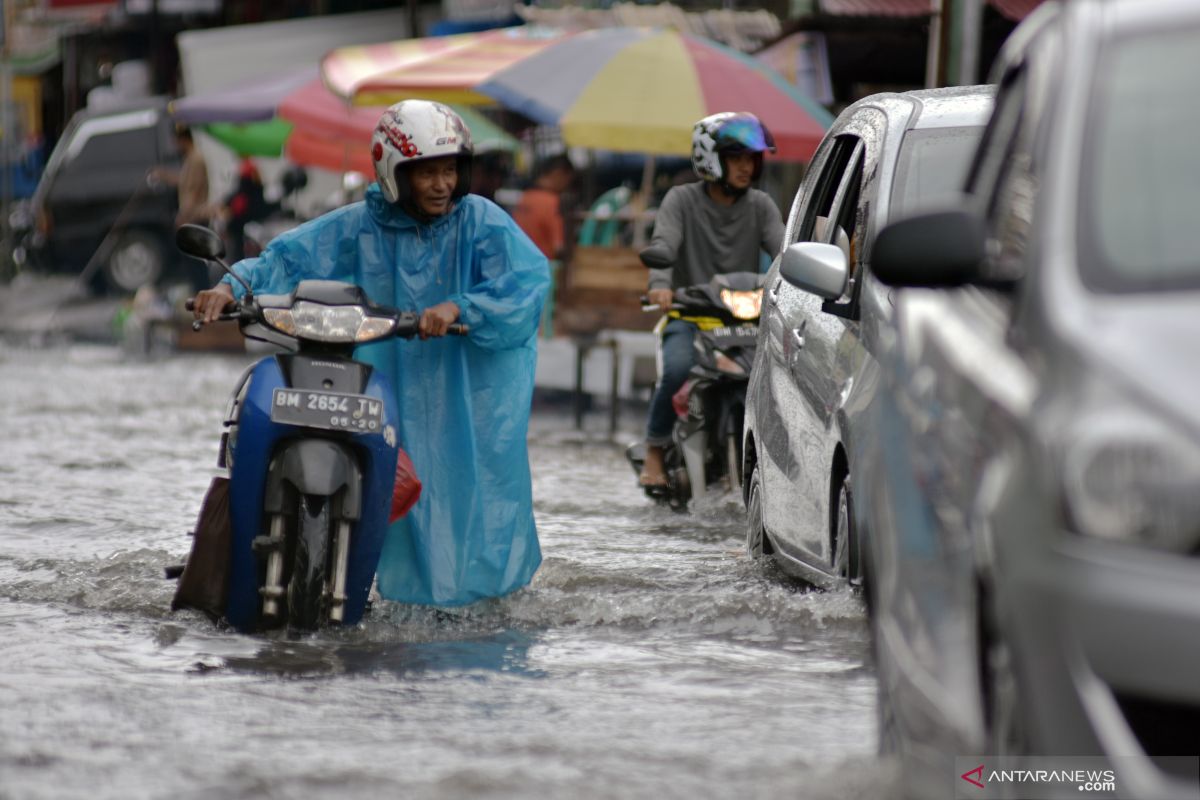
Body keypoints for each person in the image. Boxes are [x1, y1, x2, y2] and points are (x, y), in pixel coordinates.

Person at [192, 100, 551, 607]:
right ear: (392, 172)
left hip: (463, 399)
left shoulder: (482, 223)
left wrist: (457, 307)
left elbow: (526, 282)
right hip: (385, 387)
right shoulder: (359, 225)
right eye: (427, 173)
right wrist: (232, 287)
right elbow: (287, 257)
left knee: (465, 505)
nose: (442, 185)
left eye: (449, 171)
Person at [637, 112, 785, 488]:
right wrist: (660, 284)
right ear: (711, 159)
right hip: (691, 314)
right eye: (737, 158)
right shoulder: (680, 200)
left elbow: (785, 252)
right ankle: (654, 450)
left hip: (746, 318)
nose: (746, 167)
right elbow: (664, 244)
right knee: (676, 368)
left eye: (751, 159)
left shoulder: (761, 205)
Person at [512, 154, 575, 261]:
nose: (567, 186)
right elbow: (558, 247)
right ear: (558, 174)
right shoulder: (552, 202)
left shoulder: (525, 197)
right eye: (568, 180)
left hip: (519, 265)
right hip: (543, 269)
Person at [154, 125, 213, 228]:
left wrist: (184, 216)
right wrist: (164, 175)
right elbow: (183, 181)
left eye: (177, 141)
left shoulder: (196, 160)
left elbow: (194, 189)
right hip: (192, 217)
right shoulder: (189, 158)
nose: (176, 145)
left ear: (184, 140)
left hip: (196, 217)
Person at [220, 158, 273, 263]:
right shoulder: (252, 171)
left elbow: (241, 195)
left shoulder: (247, 170)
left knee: (237, 248)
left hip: (243, 217)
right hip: (249, 216)